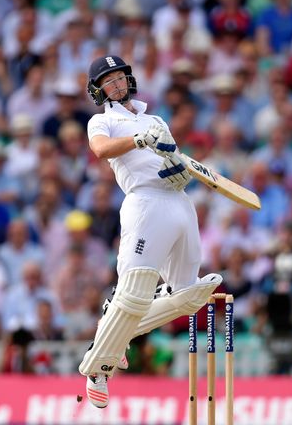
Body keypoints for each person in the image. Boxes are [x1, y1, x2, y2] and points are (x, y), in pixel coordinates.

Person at [78, 55, 222, 408]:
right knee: (136, 292)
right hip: (145, 204)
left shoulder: (155, 119)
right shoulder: (103, 121)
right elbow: (100, 150)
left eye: (120, 77)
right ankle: (98, 366)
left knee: (189, 296)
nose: (116, 84)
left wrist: (182, 169)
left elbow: (172, 157)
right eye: (108, 81)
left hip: (179, 202)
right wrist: (139, 140)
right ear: (99, 90)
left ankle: (117, 334)